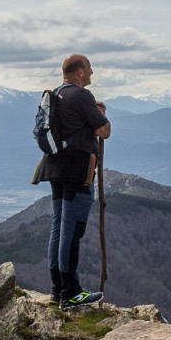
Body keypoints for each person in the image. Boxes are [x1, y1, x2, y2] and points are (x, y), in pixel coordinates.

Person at [37, 53, 110, 307]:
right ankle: (71, 292)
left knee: (59, 227)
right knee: (72, 229)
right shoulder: (81, 96)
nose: (92, 73)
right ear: (79, 72)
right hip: (78, 169)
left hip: (55, 167)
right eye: (89, 69)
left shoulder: (57, 94)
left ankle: (58, 289)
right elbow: (105, 130)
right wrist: (99, 113)